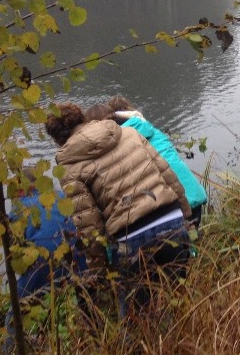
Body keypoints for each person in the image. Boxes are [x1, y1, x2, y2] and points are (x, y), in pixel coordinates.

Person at [45, 103, 193, 316]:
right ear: (82, 118)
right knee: (179, 304)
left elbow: (89, 225)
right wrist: (185, 216)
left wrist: (99, 270)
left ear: (57, 139)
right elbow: (168, 175)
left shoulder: (69, 168)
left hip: (130, 239)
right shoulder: (129, 133)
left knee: (137, 322)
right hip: (171, 220)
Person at [4, 169, 87, 353]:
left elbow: (16, 258)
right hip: (76, 255)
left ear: (19, 191)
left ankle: (9, 348)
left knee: (15, 312)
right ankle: (92, 335)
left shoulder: (19, 208)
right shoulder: (59, 195)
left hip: (43, 261)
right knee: (85, 296)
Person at [100, 97, 209, 226]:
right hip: (193, 191)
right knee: (192, 238)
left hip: (173, 202)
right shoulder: (150, 129)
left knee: (183, 242)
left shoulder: (122, 143)